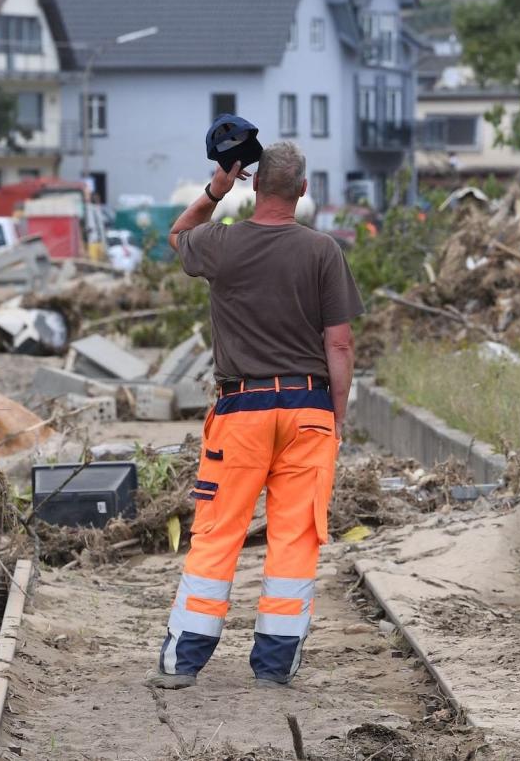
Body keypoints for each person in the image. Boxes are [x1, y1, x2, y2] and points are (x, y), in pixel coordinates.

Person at [148, 141, 363, 689]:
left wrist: (215, 190)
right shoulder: (323, 252)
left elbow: (176, 237)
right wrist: (335, 418)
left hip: (241, 409)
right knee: (295, 536)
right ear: (303, 191)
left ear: (253, 185)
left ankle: (184, 661)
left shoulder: (221, 243)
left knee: (219, 532)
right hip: (309, 408)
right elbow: (339, 345)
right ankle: (273, 666)